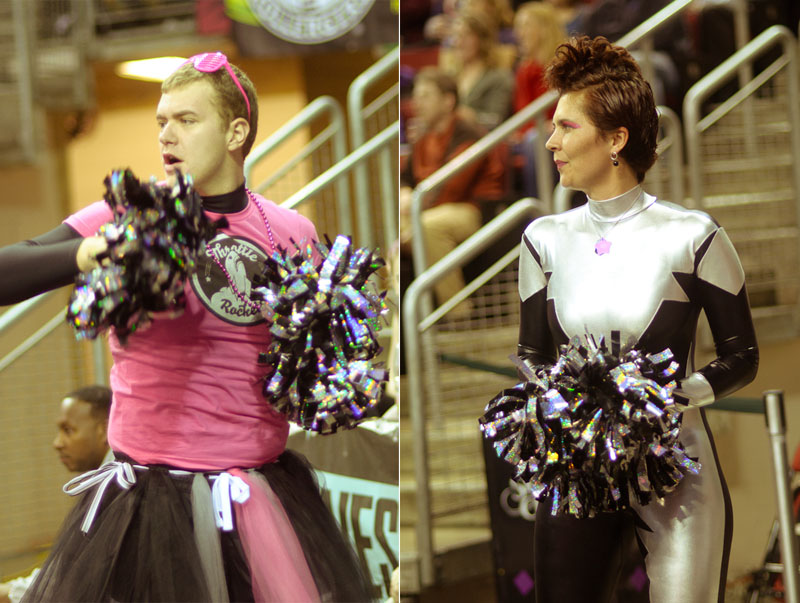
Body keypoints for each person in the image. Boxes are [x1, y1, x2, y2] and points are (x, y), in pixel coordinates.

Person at [0, 52, 373, 602]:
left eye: (186, 120)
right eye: (161, 121)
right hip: (146, 504)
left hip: (258, 499)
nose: (167, 135)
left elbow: (319, 367)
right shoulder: (126, 216)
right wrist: (90, 252)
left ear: (235, 131)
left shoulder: (292, 230)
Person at [517, 36, 758, 602]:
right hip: (576, 465)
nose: (550, 141)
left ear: (616, 139)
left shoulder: (693, 234)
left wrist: (671, 398)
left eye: (566, 127)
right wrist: (559, 402)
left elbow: (742, 355)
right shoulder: (542, 239)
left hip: (679, 467)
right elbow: (530, 354)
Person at [400, 66, 506, 315]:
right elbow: (407, 178)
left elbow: (451, 188)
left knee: (426, 226)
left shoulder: (467, 133)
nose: (417, 103)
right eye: (416, 96)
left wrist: (411, 213)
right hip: (428, 208)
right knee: (402, 228)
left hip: (472, 209)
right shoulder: (424, 138)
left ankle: (457, 311)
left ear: (448, 101)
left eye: (426, 96)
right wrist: (405, 192)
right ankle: (406, 318)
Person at [0, 385, 112, 603]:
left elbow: (62, 579)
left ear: (104, 431)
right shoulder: (102, 483)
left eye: (68, 430)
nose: (57, 443)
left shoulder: (115, 492)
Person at [441, 9, 514, 132]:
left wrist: (467, 116)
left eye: (466, 35)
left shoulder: (499, 77)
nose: (459, 42)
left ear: (481, 39)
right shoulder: (450, 77)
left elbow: (496, 120)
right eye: (456, 36)